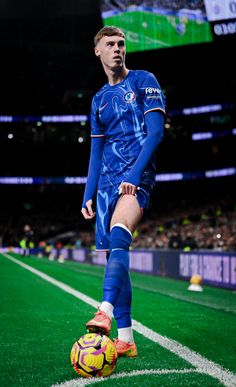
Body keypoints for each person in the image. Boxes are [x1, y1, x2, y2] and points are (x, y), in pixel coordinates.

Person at [81, 26, 166, 358]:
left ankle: (104, 310)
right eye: (110, 44)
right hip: (105, 185)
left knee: (120, 230)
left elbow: (156, 133)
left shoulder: (144, 80)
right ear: (98, 51)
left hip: (137, 176)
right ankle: (126, 338)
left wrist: (134, 175)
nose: (117, 48)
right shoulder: (98, 100)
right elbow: (95, 153)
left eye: (121, 43)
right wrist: (88, 193)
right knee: (115, 255)